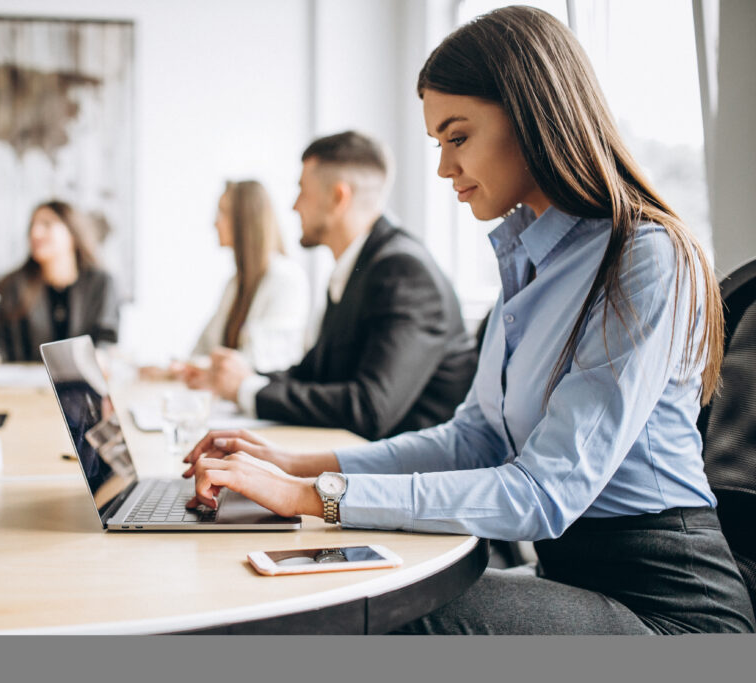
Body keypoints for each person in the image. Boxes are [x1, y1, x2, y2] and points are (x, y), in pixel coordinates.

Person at [182, 7, 755, 634]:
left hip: (668, 607)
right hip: (569, 576)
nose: (443, 168)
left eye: (457, 138)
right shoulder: (527, 260)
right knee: (330, 589)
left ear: (534, 117)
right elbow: (471, 441)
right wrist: (293, 465)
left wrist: (311, 497)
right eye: (439, 144)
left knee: (371, 616)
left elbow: (542, 492)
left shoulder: (645, 257)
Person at [190, 131, 476, 440]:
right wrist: (240, 378)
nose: (294, 206)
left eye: (302, 190)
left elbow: (370, 408)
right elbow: (313, 374)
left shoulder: (405, 272)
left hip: (415, 464)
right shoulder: (357, 267)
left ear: (338, 198)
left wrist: (247, 389)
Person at [153, 180, 309, 378]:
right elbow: (204, 348)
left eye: (223, 212)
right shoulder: (235, 284)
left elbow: (259, 361)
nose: (215, 223)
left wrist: (193, 367)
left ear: (245, 220)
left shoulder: (286, 279)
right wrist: (173, 369)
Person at [0, 200, 119, 364]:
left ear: (72, 233)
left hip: (80, 376)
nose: (35, 233)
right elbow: (1, 343)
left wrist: (101, 356)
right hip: (25, 378)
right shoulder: (13, 285)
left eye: (47, 224)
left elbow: (106, 339)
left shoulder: (100, 283)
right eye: (32, 226)